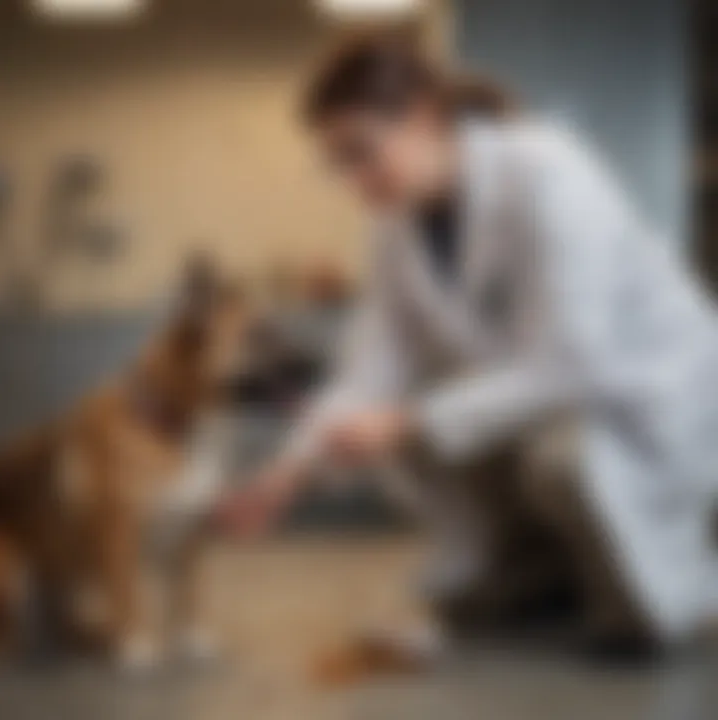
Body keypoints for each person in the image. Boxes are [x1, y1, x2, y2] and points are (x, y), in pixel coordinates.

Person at [221, 33, 718, 663]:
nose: (353, 179)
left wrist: (409, 421)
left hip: (657, 407)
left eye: (362, 153)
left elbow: (575, 362)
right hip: (561, 405)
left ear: (427, 117)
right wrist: (285, 472)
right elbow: (368, 372)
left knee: (555, 460)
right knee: (403, 440)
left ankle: (675, 590)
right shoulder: (394, 227)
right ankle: (542, 575)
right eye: (336, 164)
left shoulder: (546, 171)